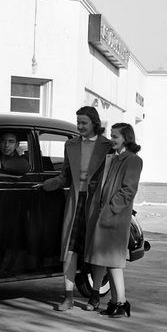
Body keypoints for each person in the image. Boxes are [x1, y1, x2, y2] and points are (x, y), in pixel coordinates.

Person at [42, 106, 113, 311]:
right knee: (69, 249)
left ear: (94, 123)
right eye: (78, 122)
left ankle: (94, 296)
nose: (80, 126)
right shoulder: (70, 145)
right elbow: (64, 175)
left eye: (84, 123)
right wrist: (47, 185)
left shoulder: (108, 146)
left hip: (97, 203)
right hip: (74, 201)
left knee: (96, 250)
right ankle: (68, 297)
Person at [88, 122, 143, 318]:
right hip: (107, 215)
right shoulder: (116, 158)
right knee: (108, 261)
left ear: (126, 138)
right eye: (111, 135)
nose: (112, 139)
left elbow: (128, 190)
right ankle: (115, 302)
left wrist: (110, 209)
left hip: (116, 218)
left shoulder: (133, 160)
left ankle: (121, 302)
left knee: (113, 261)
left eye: (115, 136)